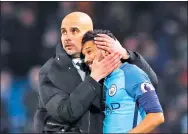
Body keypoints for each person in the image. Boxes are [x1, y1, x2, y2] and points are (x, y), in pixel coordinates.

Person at [34, 12, 158, 133]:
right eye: (63, 32)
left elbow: (150, 83)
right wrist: (93, 79)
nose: (67, 37)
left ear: (88, 33)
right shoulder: (50, 71)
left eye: (74, 31)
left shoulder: (102, 61)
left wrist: (126, 54)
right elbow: (66, 113)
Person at [81, 29, 164, 133]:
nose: (86, 59)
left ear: (106, 50)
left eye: (89, 52)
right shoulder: (104, 81)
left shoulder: (131, 73)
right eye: (84, 55)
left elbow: (156, 116)